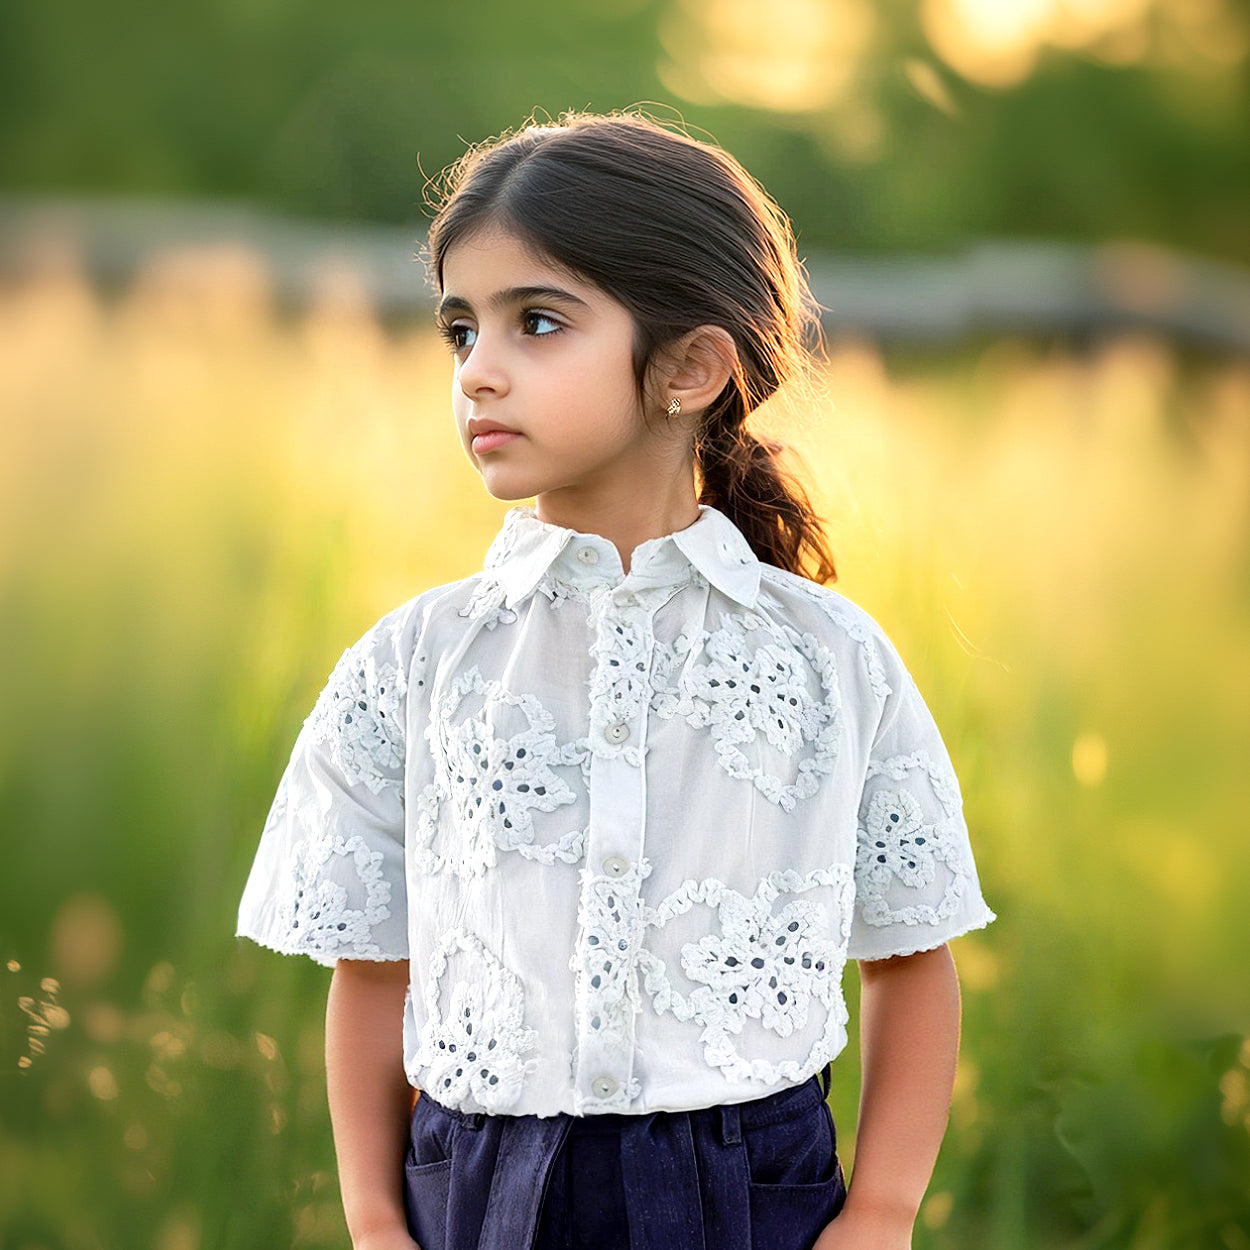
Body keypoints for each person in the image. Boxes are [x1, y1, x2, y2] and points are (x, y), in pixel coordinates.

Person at [236, 110, 995, 1250]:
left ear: (688, 365)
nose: (477, 372)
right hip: (477, 1184)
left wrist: (880, 1211)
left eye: (535, 321)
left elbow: (909, 954)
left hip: (748, 1187)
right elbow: (373, 966)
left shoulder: (830, 660)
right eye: (458, 330)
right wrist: (373, 1217)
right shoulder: (416, 660)